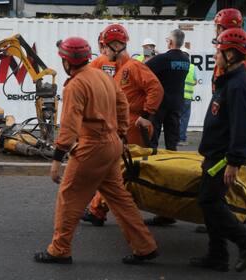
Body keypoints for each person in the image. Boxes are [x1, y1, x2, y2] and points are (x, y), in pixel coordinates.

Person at [34, 36, 158, 265]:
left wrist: (56, 159)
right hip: (111, 144)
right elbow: (123, 104)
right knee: (119, 198)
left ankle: (59, 250)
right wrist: (120, 133)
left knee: (69, 197)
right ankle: (145, 246)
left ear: (67, 61)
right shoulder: (103, 76)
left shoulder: (76, 84)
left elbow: (69, 125)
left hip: (92, 146)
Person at [189, 28, 246, 273]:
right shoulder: (229, 80)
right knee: (211, 203)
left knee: (209, 202)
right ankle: (217, 255)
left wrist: (234, 161)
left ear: (230, 54)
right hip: (214, 154)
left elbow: (242, 127)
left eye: (218, 50)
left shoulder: (239, 85)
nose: (215, 54)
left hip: (222, 158)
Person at [82, 24, 164, 227]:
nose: (102, 51)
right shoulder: (115, 67)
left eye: (104, 47)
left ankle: (98, 211)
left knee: (118, 173)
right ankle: (98, 210)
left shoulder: (133, 67)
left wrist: (146, 114)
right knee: (117, 172)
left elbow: (156, 88)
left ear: (117, 45)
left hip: (134, 129)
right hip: (121, 130)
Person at [146, 29, 190, 151]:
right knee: (172, 141)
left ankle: (152, 163)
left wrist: (154, 56)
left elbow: (143, 69)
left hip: (160, 103)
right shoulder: (186, 60)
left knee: (153, 138)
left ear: (170, 42)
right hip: (177, 104)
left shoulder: (162, 59)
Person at [178, 47, 197, 146]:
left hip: (178, 96)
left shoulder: (177, 65)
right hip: (188, 97)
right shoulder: (192, 67)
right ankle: (181, 139)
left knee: (177, 118)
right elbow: (195, 81)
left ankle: (175, 138)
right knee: (185, 118)